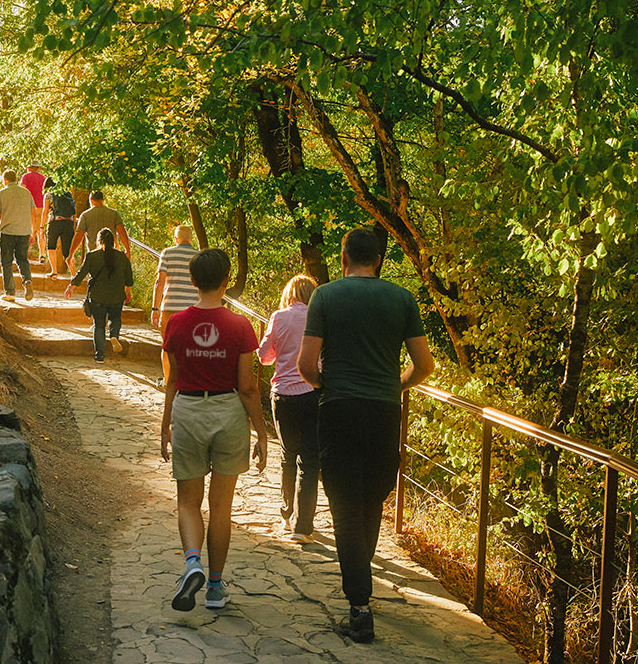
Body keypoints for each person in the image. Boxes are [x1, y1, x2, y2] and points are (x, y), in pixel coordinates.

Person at [297, 228, 434, 643]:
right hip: (384, 411)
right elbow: (424, 365)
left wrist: (328, 385)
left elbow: (306, 365)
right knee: (371, 498)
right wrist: (396, 384)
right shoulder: (401, 298)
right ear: (378, 260)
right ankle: (361, 584)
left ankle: (359, 605)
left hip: (338, 408)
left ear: (344, 257)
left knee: (344, 506)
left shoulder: (324, 296)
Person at [160, 249, 269, 612]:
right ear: (227, 281)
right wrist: (262, 432)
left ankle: (192, 563)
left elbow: (172, 380)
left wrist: (165, 427)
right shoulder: (240, 326)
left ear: (192, 281)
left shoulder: (174, 324)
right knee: (221, 506)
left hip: (188, 409)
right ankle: (216, 589)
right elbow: (248, 387)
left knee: (188, 501)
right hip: (228, 412)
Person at [257, 274, 320, 544]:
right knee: (309, 460)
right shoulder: (320, 319)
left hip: (282, 395)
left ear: (290, 294)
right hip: (313, 394)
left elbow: (264, 356)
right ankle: (303, 527)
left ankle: (286, 513)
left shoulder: (279, 316)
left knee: (287, 455)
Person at [64, 228, 133, 363]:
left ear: (99, 241)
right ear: (113, 242)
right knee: (115, 318)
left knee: (99, 325)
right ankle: (114, 335)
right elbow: (129, 278)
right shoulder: (122, 257)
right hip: (116, 296)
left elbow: (81, 273)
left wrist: (71, 286)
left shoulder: (92, 256)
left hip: (97, 296)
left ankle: (99, 356)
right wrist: (128, 291)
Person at [151, 225, 198, 384]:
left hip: (170, 307)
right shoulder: (198, 256)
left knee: (168, 346)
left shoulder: (167, 253)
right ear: (191, 239)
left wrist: (155, 308)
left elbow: (160, 282)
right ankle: (187, 381)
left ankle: (167, 381)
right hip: (192, 309)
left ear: (176, 239)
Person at [0, 169, 36, 302]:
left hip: (8, 232)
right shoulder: (26, 193)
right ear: (16, 179)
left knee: (6, 262)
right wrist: (33, 233)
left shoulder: (1, 193)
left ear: (5, 180)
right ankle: (27, 280)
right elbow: (33, 213)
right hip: (24, 232)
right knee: (22, 260)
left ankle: (10, 292)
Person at [69, 190, 131, 264]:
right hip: (112, 253)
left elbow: (79, 235)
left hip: (94, 254)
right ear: (103, 200)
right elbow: (122, 232)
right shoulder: (114, 213)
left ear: (91, 200)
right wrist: (127, 250)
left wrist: (71, 254)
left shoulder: (85, 215)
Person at [41, 176, 77, 276]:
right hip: (68, 223)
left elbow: (44, 211)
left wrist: (41, 227)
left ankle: (54, 272)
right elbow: (74, 213)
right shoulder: (67, 194)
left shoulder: (49, 194)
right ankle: (73, 274)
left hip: (55, 222)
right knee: (67, 251)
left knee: (51, 246)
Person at [19, 163, 47, 263]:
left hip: (29, 206)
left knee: (28, 230)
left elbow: (22, 189)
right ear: (37, 168)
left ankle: (24, 253)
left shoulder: (25, 177)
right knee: (40, 231)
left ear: (29, 168)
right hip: (41, 207)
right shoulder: (43, 178)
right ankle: (42, 255)